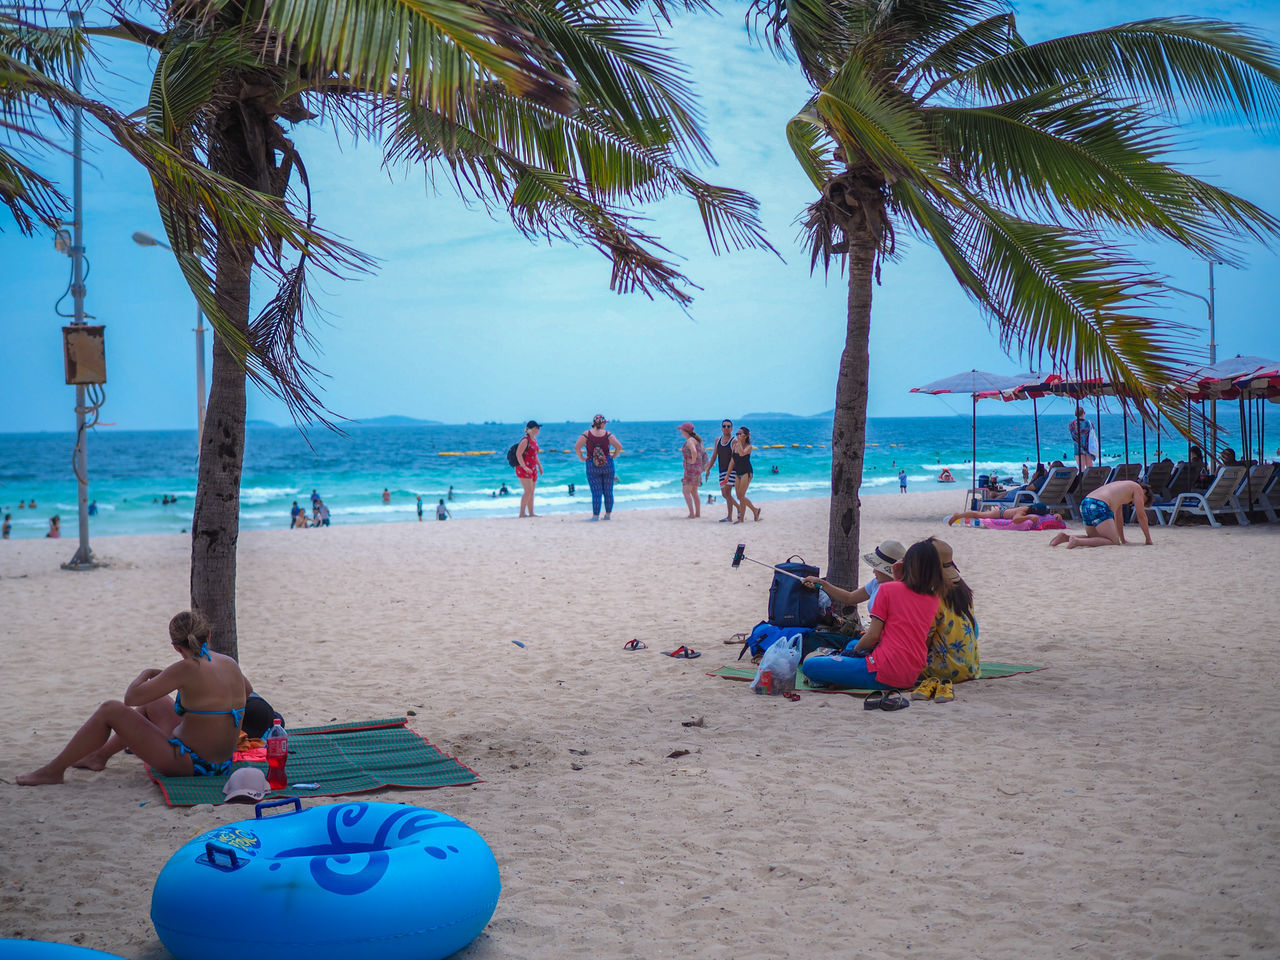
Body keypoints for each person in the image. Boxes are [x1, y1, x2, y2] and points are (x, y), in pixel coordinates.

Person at [17, 610, 250, 785]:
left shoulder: (184, 668)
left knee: (110, 709)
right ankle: (99, 756)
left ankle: (53, 771)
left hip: (191, 764)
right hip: (222, 762)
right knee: (153, 700)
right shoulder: (228, 662)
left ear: (176, 647)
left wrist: (147, 674)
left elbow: (130, 698)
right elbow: (246, 691)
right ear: (208, 635)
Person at [802, 540, 945, 691]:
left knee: (810, 665)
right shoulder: (934, 598)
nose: (873, 570)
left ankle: (845, 678)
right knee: (851, 645)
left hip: (884, 671)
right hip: (911, 673)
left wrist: (849, 654)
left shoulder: (887, 590)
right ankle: (846, 675)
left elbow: (873, 636)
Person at [919, 539, 979, 688]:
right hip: (971, 668)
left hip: (941, 670)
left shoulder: (934, 598)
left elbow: (924, 641)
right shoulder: (963, 592)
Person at [803, 538, 906, 620]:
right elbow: (849, 598)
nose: (874, 571)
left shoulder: (899, 591)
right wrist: (821, 583)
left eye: (877, 568)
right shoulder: (876, 583)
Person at [1049, 480, 1153, 548]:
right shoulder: (1137, 488)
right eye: (1143, 500)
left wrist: (1123, 539)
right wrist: (1148, 539)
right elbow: (1141, 516)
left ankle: (1065, 537)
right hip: (1099, 505)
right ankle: (1077, 541)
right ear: (1144, 491)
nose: (1139, 502)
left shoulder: (1123, 488)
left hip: (1086, 503)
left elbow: (1118, 517)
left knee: (1096, 538)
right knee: (1113, 542)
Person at [574, 414, 622, 521]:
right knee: (608, 491)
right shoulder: (608, 434)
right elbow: (619, 446)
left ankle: (595, 516)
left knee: (596, 492)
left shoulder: (586, 434)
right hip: (607, 464)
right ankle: (608, 515)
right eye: (604, 422)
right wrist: (614, 456)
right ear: (602, 423)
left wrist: (582, 457)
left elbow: (577, 447)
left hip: (592, 465)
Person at [704, 419, 739, 522]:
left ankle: (739, 508)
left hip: (731, 470)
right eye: (724, 426)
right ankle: (729, 516)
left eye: (728, 426)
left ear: (732, 428)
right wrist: (708, 469)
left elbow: (734, 458)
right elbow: (714, 455)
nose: (726, 428)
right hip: (721, 470)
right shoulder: (718, 440)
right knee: (725, 494)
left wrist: (729, 472)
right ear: (721, 428)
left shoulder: (734, 441)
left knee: (727, 493)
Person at [731, 426, 761, 523]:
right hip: (737, 472)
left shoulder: (749, 446)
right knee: (739, 496)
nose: (738, 435)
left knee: (741, 495)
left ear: (746, 435)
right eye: (737, 434)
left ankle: (742, 518)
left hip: (746, 472)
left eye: (740, 434)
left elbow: (742, 454)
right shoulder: (735, 445)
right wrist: (728, 474)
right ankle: (754, 511)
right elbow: (733, 460)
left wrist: (739, 442)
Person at [514, 421, 543, 518]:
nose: (538, 430)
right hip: (524, 468)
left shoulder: (534, 440)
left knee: (531, 492)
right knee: (528, 491)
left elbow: (535, 455)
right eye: (537, 428)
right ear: (533, 429)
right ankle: (522, 513)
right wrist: (524, 467)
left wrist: (539, 465)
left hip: (533, 468)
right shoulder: (525, 440)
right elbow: (518, 454)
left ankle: (531, 513)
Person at [678, 422, 704, 519]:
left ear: (686, 431)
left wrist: (692, 461)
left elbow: (694, 451)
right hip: (697, 469)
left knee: (686, 491)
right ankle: (697, 513)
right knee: (694, 492)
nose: (681, 432)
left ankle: (692, 514)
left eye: (682, 430)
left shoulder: (690, 441)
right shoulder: (695, 440)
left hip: (691, 470)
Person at [945, 502, 1053, 525]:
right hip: (1001, 513)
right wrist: (1028, 517)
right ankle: (958, 516)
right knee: (978, 514)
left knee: (981, 514)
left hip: (1003, 511)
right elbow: (1015, 520)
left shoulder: (1028, 509)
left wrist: (1055, 516)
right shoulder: (1023, 511)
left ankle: (959, 515)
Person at [1069, 406, 1097, 470]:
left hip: (1078, 447)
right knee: (1089, 468)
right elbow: (1093, 434)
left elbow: (1072, 434)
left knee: (1081, 468)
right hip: (1088, 447)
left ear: (1075, 414)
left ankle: (1081, 480)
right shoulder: (1089, 423)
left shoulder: (1072, 424)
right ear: (1084, 413)